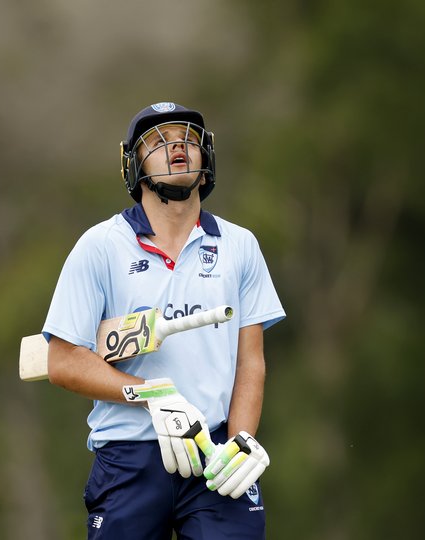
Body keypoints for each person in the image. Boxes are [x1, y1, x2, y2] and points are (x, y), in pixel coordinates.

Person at [42, 101, 285, 539]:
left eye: (188, 138)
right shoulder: (99, 247)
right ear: (133, 167)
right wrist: (151, 396)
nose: (177, 147)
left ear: (206, 159)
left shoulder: (240, 246)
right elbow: (62, 361)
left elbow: (250, 363)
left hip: (214, 456)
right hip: (129, 457)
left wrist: (241, 439)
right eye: (157, 142)